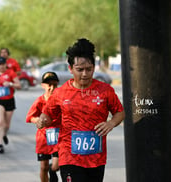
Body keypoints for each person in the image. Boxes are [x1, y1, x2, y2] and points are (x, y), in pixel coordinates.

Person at [39, 38, 125, 182]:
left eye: (89, 69)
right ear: (70, 69)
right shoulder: (60, 93)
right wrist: (42, 121)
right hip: (69, 156)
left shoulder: (105, 91)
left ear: (93, 67)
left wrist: (110, 124)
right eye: (79, 70)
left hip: (96, 158)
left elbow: (120, 112)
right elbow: (47, 115)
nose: (84, 74)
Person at [26, 72, 61, 182]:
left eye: (54, 85)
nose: (51, 88)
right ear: (43, 85)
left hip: (59, 136)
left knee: (56, 165)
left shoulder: (61, 100)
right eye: (49, 85)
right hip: (43, 137)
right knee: (43, 167)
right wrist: (38, 121)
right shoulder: (40, 101)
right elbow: (30, 117)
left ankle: (53, 170)